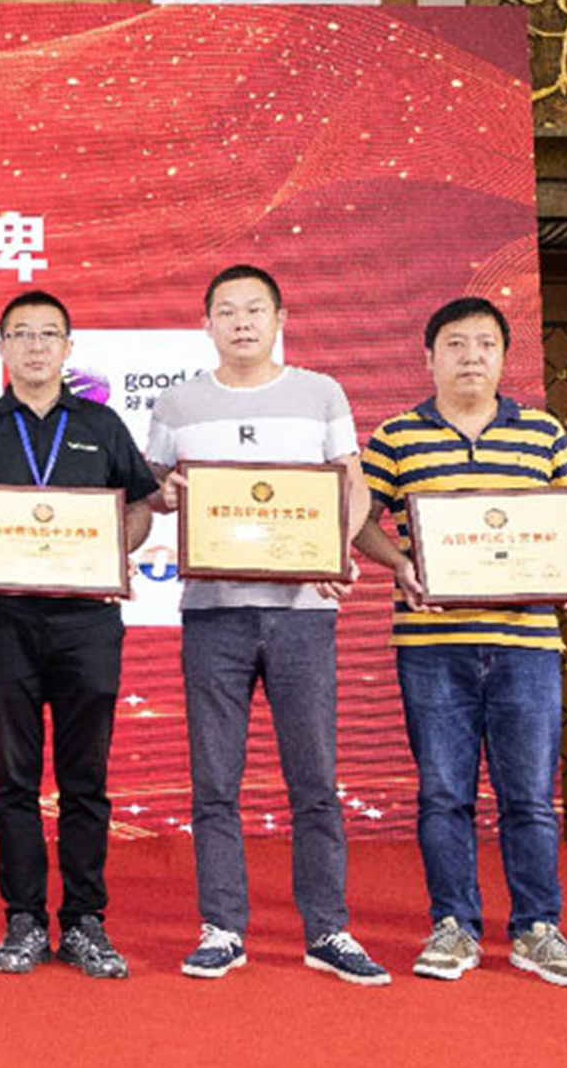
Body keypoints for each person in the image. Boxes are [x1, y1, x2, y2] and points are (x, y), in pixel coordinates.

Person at [145, 264, 386, 985]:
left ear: (280, 319)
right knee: (213, 779)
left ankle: (327, 928)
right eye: (226, 310)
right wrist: (165, 492)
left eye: (255, 309)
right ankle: (222, 926)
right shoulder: (179, 401)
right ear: (206, 324)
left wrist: (336, 549)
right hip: (212, 612)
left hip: (301, 612)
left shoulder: (320, 392)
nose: (241, 321)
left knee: (314, 778)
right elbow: (153, 492)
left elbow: (352, 484)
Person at [354, 296, 567, 987]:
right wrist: (399, 564)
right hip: (432, 641)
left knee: (529, 796)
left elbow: (566, 521)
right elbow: (359, 519)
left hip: (527, 643)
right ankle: (452, 924)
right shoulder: (396, 435)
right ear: (429, 357)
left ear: (503, 355)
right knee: (442, 793)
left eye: (485, 343)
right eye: (455, 344)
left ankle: (536, 928)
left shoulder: (543, 432)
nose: (470, 356)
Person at [0, 290, 156, 978]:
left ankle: (85, 919)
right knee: (15, 777)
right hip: (6, 620)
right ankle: (23, 918)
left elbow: (138, 507)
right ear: (1, 347)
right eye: (21, 334)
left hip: (87, 621)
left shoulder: (101, 424)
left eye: (47, 334)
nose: (34, 346)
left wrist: (116, 552)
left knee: (86, 777)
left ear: (67, 348)